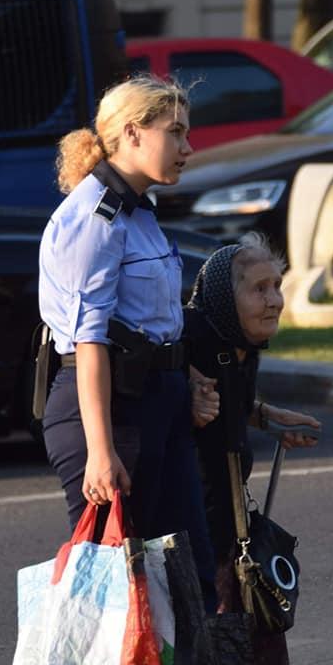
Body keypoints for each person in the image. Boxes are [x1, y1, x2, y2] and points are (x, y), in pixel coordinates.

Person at [38, 74, 216, 610]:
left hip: (158, 401)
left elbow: (151, 320)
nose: (188, 147)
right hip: (110, 410)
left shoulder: (139, 209)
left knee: (190, 579)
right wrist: (100, 451)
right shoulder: (95, 216)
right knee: (117, 596)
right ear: (133, 133)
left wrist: (187, 376)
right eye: (176, 132)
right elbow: (87, 342)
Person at [184, 233, 321, 665]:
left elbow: (230, 404)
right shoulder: (194, 340)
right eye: (259, 289)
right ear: (225, 296)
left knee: (244, 626)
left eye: (277, 287)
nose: (274, 300)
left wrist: (265, 416)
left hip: (224, 514)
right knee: (223, 630)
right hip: (194, 519)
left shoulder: (239, 346)